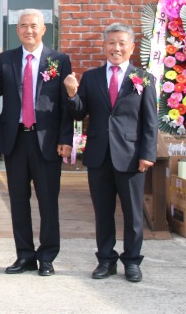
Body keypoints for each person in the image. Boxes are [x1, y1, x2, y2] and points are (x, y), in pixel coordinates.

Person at [64, 23, 158, 283]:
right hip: (99, 155)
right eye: (111, 43)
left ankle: (132, 261)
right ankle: (106, 260)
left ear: (131, 47)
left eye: (121, 43)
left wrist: (147, 154)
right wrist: (72, 93)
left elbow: (150, 121)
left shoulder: (143, 78)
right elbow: (79, 113)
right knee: (103, 212)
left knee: (133, 213)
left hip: (131, 156)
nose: (116, 48)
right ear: (104, 46)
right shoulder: (91, 77)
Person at [0, 9, 73, 276]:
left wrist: (66, 138)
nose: (29, 30)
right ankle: (24, 255)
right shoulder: (6, 59)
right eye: (23, 26)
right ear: (17, 30)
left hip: (47, 141)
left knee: (48, 201)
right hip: (15, 140)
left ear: (43, 29)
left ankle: (47, 257)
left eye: (34, 26)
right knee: (18, 201)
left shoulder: (59, 60)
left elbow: (66, 104)